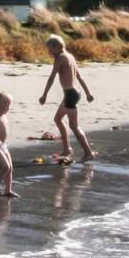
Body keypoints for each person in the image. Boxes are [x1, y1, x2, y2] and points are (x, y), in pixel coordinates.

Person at [38, 34, 95, 163]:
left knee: (74, 126)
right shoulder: (70, 56)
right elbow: (79, 77)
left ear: (58, 47)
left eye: (50, 50)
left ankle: (88, 153)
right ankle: (67, 149)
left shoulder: (60, 58)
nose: (49, 52)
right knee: (58, 119)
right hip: (73, 93)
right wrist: (87, 93)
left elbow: (52, 77)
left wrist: (44, 95)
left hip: (70, 95)